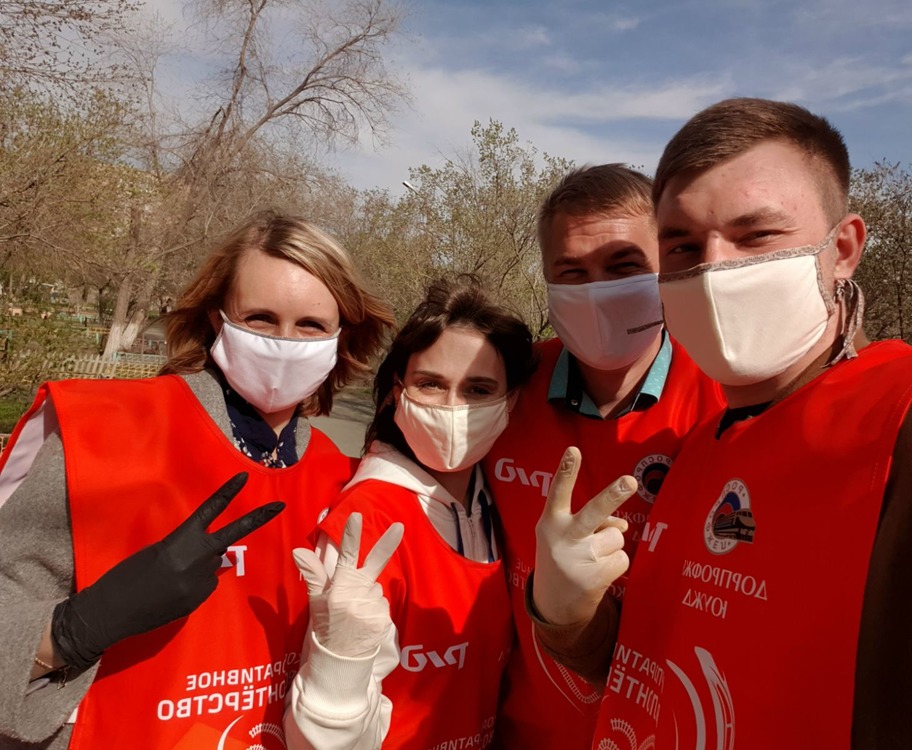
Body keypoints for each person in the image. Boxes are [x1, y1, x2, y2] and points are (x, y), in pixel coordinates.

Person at [529, 98, 912, 749]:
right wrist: (565, 611)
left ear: (842, 249)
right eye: (684, 246)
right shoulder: (700, 448)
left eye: (756, 235)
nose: (715, 268)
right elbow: (653, 665)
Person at [0, 212, 394, 749]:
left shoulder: (341, 476)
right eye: (260, 318)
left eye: (310, 326)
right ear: (217, 319)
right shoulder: (103, 430)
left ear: (341, 336)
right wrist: (76, 628)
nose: (285, 342)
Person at [484, 164, 723, 750]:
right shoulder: (503, 388)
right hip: (527, 732)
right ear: (547, 280)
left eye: (623, 267)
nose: (596, 292)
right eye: (573, 273)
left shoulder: (725, 397)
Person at [285, 276, 537, 749]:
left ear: (511, 401)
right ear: (398, 392)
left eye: (478, 389)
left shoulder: (496, 505)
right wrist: (339, 666)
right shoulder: (367, 520)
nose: (452, 408)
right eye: (431, 384)